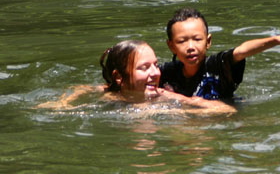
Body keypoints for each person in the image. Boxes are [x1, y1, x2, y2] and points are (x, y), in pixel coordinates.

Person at [38, 40, 235, 114]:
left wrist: (175, 112)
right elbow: (80, 88)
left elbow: (220, 109)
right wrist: (63, 102)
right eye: (144, 67)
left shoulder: (163, 96)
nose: (156, 73)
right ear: (118, 77)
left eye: (156, 65)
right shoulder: (109, 93)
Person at [159, 7, 280, 98]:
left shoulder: (217, 65)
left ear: (208, 42)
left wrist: (275, 40)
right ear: (171, 46)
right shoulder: (164, 73)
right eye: (182, 41)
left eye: (197, 39)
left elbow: (241, 51)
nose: (190, 46)